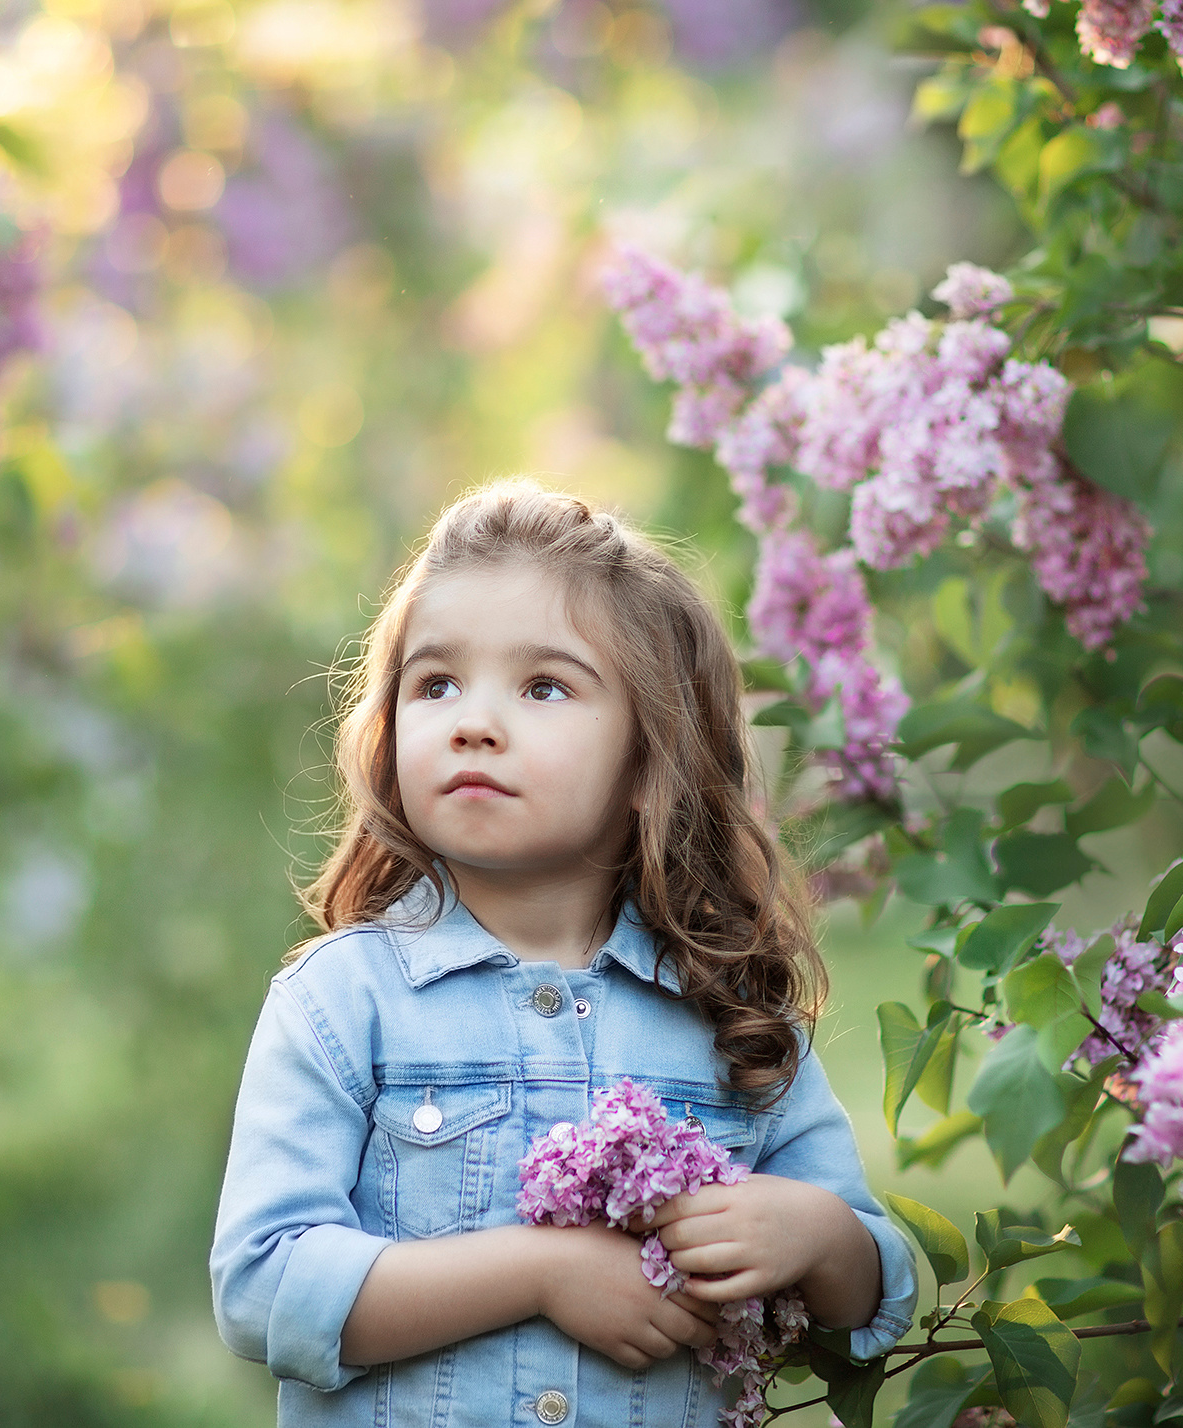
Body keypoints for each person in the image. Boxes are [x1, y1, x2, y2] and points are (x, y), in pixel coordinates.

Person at [210, 482, 915, 1425]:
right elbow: (263, 1286)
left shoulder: (728, 1010)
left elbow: (875, 1297)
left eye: (543, 686)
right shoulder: (341, 1002)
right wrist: (540, 1274)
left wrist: (821, 1239)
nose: (473, 721)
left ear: (646, 762)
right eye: (436, 683)